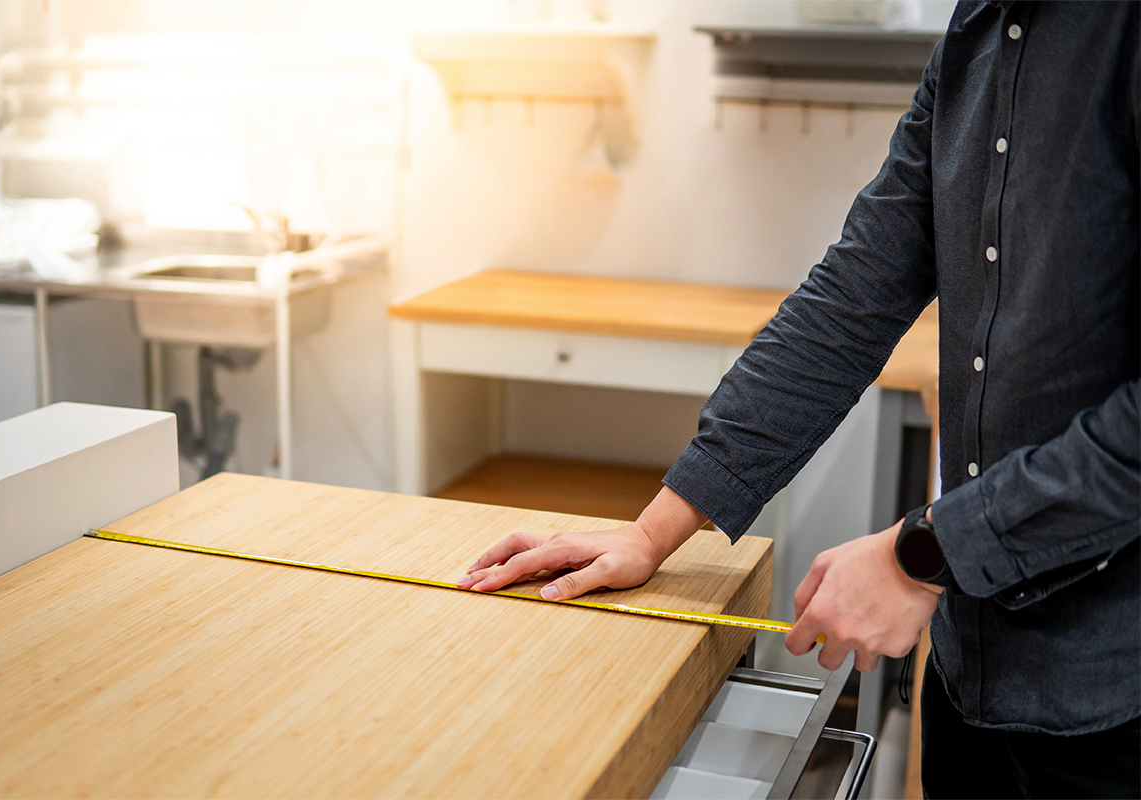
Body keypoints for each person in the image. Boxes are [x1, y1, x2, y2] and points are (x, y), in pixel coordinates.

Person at [457, 2, 1140, 796]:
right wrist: (652, 532)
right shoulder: (978, 31)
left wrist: (926, 555)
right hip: (972, 677)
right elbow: (852, 297)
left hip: (1112, 704)